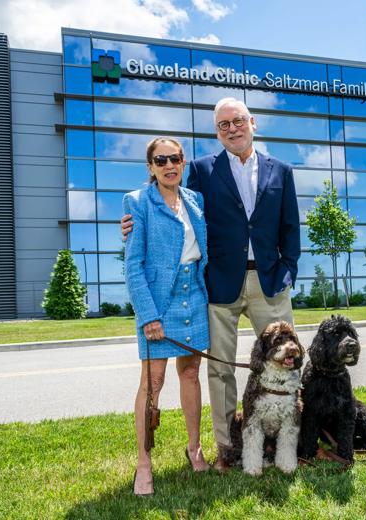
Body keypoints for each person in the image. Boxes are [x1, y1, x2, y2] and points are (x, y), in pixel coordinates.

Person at [122, 98, 300, 472]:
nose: (231, 128)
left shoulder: (281, 171)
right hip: (220, 284)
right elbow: (173, 208)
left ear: (252, 122)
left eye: (237, 121)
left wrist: (288, 270)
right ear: (216, 132)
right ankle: (227, 449)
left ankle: (289, 440)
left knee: (288, 362)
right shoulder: (202, 170)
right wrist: (131, 226)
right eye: (223, 125)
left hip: (269, 281)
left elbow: (290, 227)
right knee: (219, 369)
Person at [123, 137, 211, 496]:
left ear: (183, 162)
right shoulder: (138, 201)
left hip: (195, 296)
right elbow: (133, 266)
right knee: (153, 383)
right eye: (161, 160)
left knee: (190, 373)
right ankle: (144, 463)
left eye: (175, 158)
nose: (169, 165)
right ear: (150, 167)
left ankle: (195, 448)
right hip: (159, 301)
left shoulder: (195, 199)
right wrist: (148, 315)